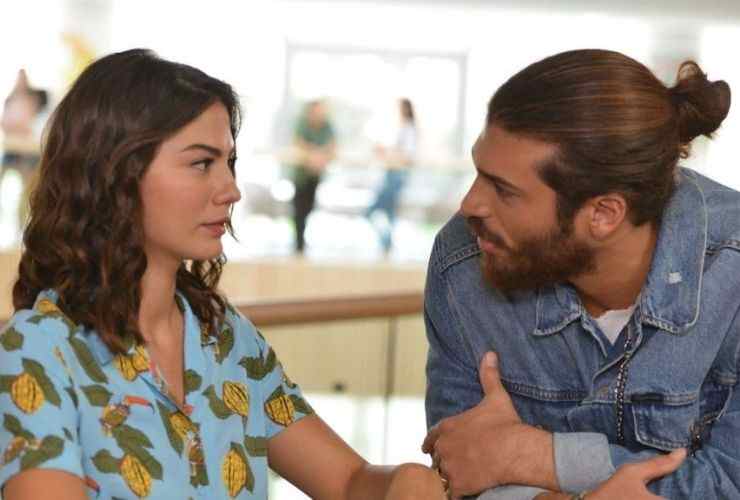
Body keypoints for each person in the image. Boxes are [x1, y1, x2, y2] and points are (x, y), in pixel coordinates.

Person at [0, 49, 445, 500]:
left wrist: (407, 482)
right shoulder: (39, 349)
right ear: (117, 173)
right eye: (201, 164)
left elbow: (348, 481)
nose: (231, 190)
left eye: (229, 163)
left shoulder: (224, 336)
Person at [421, 49, 737, 499]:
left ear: (604, 214)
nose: (470, 204)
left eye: (503, 190)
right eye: (479, 172)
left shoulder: (732, 270)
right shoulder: (463, 259)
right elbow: (460, 465)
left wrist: (535, 457)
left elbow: (730, 482)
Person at [365, 98, 417, 253]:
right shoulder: (402, 129)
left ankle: (386, 242)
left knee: (373, 211)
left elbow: (407, 156)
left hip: (397, 175)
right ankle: (386, 244)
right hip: (391, 174)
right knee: (389, 212)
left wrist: (386, 152)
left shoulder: (409, 129)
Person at [1, 69, 48, 232]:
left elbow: (30, 123)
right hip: (12, 149)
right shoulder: (10, 99)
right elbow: (5, 122)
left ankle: (22, 227)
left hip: (27, 152)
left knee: (28, 192)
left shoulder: (32, 99)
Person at [290, 99, 336, 254]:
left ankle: (301, 243)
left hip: (315, 176)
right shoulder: (303, 124)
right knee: (299, 210)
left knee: (309, 208)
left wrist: (319, 156)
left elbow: (332, 145)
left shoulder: (327, 126)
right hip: (301, 176)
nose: (320, 113)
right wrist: (314, 155)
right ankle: (298, 245)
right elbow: (298, 142)